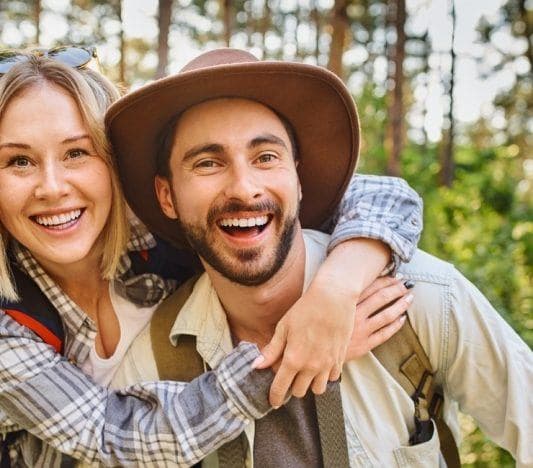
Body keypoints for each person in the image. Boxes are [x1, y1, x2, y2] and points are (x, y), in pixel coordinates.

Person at [108, 48, 533, 467]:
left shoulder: (418, 299)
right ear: (167, 196)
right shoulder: (153, 359)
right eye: (207, 163)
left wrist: (334, 291)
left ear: (298, 176)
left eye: (265, 157)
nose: (243, 187)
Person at [0, 49, 423, 466]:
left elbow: (384, 196)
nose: (52, 187)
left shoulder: (156, 222)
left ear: (112, 161)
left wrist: (333, 294)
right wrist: (293, 354)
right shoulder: (7, 327)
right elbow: (114, 436)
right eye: (18, 161)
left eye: (76, 152)